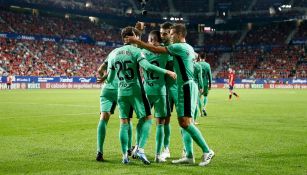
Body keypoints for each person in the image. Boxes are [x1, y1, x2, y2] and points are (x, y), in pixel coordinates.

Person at [126, 24, 214, 166]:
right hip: (182, 86)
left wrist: (137, 41)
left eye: (171, 33)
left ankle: (207, 150)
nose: (169, 36)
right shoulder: (190, 48)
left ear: (179, 35)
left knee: (185, 122)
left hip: (185, 86)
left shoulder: (178, 47)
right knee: (183, 122)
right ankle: (189, 155)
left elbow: (155, 49)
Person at [107, 26, 176, 165]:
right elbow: (148, 66)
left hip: (121, 91)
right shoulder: (138, 51)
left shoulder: (114, 53)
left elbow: (110, 78)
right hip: (140, 90)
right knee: (149, 119)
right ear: (131, 37)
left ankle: (124, 156)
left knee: (124, 122)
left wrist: (106, 78)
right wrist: (167, 72)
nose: (138, 38)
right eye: (136, 36)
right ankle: (143, 150)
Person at [95, 48, 133, 162]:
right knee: (127, 119)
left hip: (107, 89)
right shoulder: (131, 52)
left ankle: (99, 151)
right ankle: (129, 148)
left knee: (103, 118)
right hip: (122, 89)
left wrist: (104, 77)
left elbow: (100, 69)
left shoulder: (113, 52)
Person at [142, 30, 173, 162]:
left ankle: (139, 148)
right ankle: (157, 154)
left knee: (144, 120)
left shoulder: (142, 53)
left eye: (151, 39)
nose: (151, 41)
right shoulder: (165, 53)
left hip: (146, 90)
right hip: (161, 91)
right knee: (161, 122)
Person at [159, 22, 177, 159]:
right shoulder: (160, 48)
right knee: (165, 119)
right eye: (161, 33)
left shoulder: (177, 48)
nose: (162, 36)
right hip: (164, 90)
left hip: (179, 89)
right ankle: (166, 148)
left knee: (186, 120)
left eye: (165, 33)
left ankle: (186, 150)